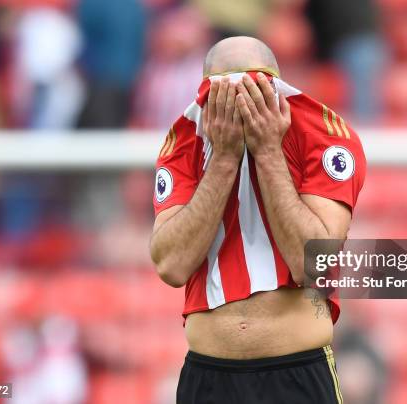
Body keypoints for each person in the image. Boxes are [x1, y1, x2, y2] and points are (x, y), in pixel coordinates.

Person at [150, 36, 366, 403]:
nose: (241, 106)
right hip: (209, 376)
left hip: (297, 374)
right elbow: (171, 264)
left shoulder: (324, 137)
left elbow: (313, 264)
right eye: (223, 97)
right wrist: (222, 159)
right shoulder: (184, 143)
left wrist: (267, 152)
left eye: (254, 92)